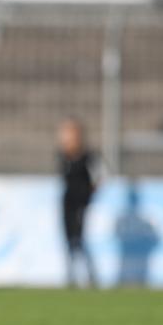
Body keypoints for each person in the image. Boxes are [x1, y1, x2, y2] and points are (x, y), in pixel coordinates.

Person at [56, 117, 100, 289]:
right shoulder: (63, 156)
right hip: (68, 201)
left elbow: (98, 177)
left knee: (79, 239)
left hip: (81, 202)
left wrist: (90, 194)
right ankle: (70, 276)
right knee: (68, 240)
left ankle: (90, 276)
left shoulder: (88, 157)